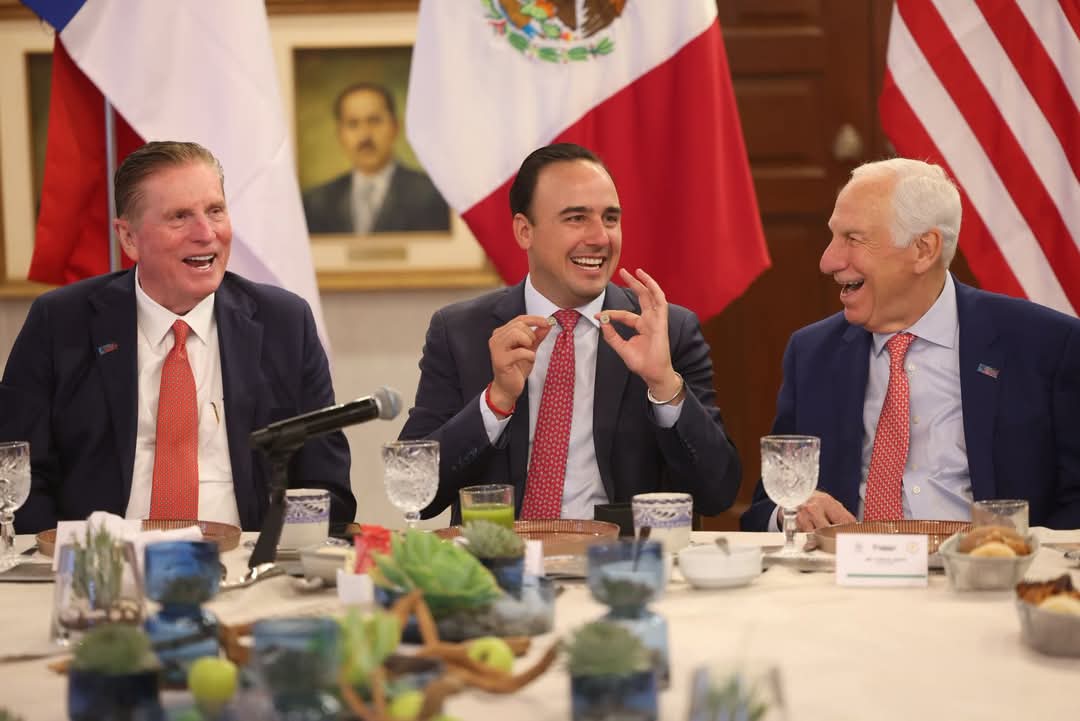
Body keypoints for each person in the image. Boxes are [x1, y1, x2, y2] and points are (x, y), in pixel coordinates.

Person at [4, 141, 355, 533]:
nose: (206, 233)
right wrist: (73, 555)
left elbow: (326, 485)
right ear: (129, 238)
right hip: (104, 559)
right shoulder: (61, 322)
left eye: (215, 211)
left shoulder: (284, 323)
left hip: (245, 557)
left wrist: (275, 549)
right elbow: (16, 473)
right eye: (179, 217)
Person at [399, 143, 741, 523]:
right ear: (525, 231)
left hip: (621, 556)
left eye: (610, 218)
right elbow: (414, 491)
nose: (600, 237)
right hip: (500, 555)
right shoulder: (461, 332)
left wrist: (664, 385)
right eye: (576, 218)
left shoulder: (666, 330)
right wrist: (496, 402)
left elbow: (718, 493)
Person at [741, 158, 1080, 532]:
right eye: (834, 236)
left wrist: (1017, 551)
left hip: (986, 564)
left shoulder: (1046, 345)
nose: (828, 261)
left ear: (923, 249)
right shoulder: (812, 354)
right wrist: (790, 511)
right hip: (848, 565)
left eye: (853, 239)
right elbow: (763, 508)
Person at [302, 82, 450, 234]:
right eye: (353, 124)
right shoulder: (316, 202)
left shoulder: (432, 195)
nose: (364, 135)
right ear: (340, 134)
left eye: (374, 121)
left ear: (395, 127)